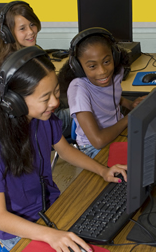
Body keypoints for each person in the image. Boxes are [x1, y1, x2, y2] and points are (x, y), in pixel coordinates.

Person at [0, 46, 127, 252]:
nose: (54, 103)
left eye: (56, 92)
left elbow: (65, 150)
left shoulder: (44, 119)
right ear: (13, 102)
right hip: (20, 229)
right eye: (45, 98)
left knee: (111, 240)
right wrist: (50, 236)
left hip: (53, 209)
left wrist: (103, 170)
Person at [58, 27, 146, 158]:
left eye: (106, 61)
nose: (102, 71)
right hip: (93, 148)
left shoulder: (116, 71)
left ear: (114, 56)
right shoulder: (78, 89)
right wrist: (130, 118)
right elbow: (97, 141)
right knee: (139, 165)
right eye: (92, 66)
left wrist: (130, 105)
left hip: (118, 130)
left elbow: (109, 96)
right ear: (78, 67)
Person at [0, 0, 72, 137]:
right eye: (22, 28)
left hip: (49, 105)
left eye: (32, 24)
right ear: (8, 33)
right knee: (90, 109)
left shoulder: (30, 53)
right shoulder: (17, 66)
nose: (31, 32)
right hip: (45, 119)